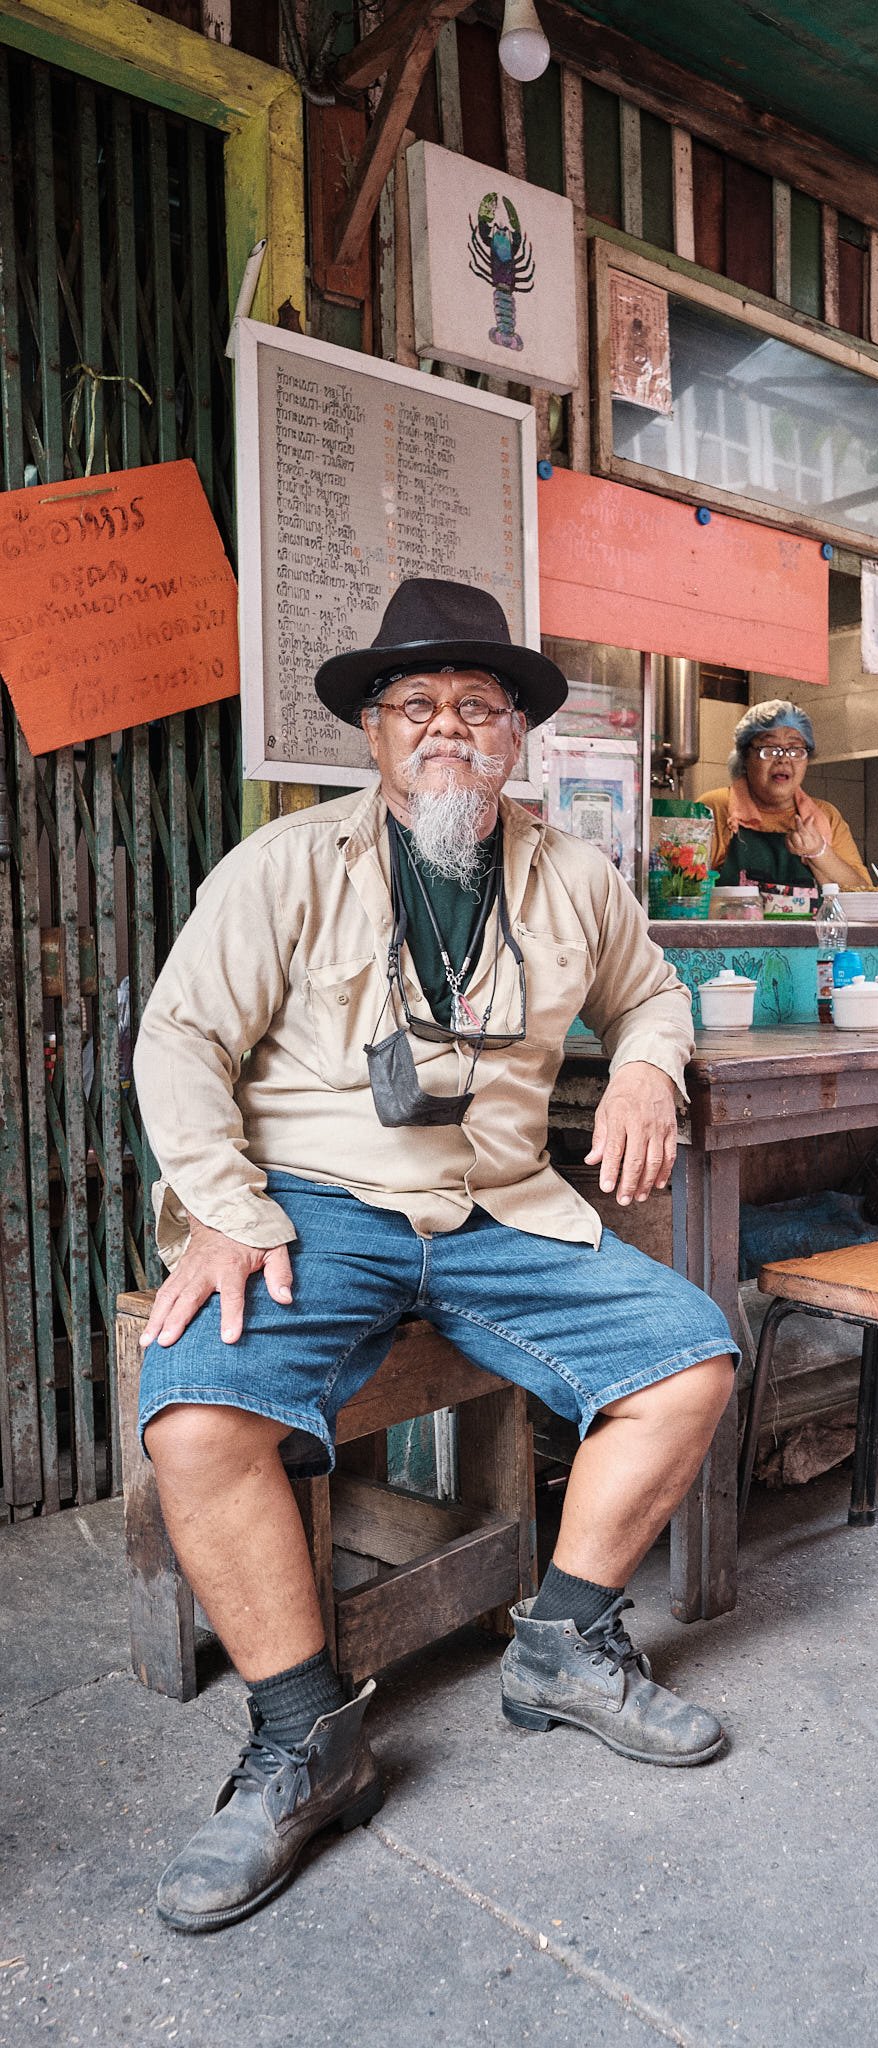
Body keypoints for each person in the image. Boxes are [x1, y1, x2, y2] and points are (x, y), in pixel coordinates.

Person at [133, 578, 738, 1934]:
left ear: (518, 735)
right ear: (373, 731)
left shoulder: (577, 877)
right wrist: (223, 1206)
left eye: (478, 704)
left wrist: (647, 1069)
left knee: (690, 1358)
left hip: (500, 1210)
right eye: (417, 703)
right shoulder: (287, 865)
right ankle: (305, 1742)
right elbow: (180, 1040)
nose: (448, 726)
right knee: (196, 1419)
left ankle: (562, 1643)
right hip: (317, 1206)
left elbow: (652, 993)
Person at [700, 698, 873, 893]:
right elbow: (683, 889)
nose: (783, 759)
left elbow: (866, 895)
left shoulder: (825, 816)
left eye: (795, 750)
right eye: (769, 750)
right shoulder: (713, 809)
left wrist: (820, 853)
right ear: (745, 757)